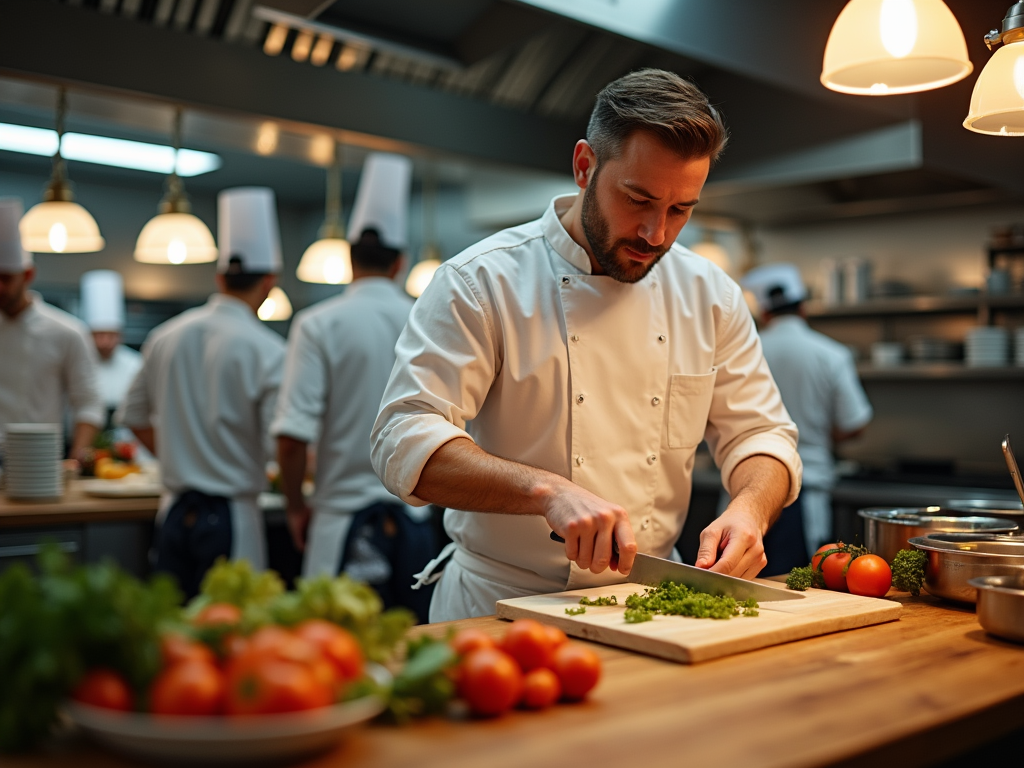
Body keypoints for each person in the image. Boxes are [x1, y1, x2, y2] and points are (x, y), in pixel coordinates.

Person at [371, 69, 802, 622]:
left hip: (652, 606)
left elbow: (761, 433)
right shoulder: (481, 282)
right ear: (583, 166)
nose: (656, 234)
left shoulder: (710, 294)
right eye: (637, 199)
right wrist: (544, 491)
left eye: (680, 210)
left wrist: (749, 508)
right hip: (500, 608)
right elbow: (402, 438)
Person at [272, 153, 435, 622]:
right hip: (414, 527)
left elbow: (291, 436)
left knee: (333, 661)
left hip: (339, 523)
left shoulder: (317, 323)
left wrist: (295, 508)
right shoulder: (424, 318)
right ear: (400, 263)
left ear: (348, 257)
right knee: (415, 653)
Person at [120, 187, 287, 598]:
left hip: (173, 511)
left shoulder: (165, 335)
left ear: (218, 278)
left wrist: (181, 452)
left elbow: (133, 416)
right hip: (233, 514)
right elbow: (277, 445)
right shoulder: (269, 349)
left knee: (172, 629)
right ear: (269, 282)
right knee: (231, 632)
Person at [741, 263, 872, 566]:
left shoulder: (747, 350)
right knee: (799, 583)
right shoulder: (831, 354)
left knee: (740, 575)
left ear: (764, 313)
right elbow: (855, 424)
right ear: (803, 308)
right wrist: (819, 432)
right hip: (807, 487)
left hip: (745, 491)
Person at [0, 197, 103, 463]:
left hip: (40, 461)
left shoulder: (66, 332)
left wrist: (76, 459)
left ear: (28, 275)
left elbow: (89, 403)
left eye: (6, 278)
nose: (0, 287)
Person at [80, 270, 142, 425]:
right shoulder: (79, 363)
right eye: (98, 335)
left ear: (121, 335)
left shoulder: (136, 363)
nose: (104, 342)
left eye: (111, 335)